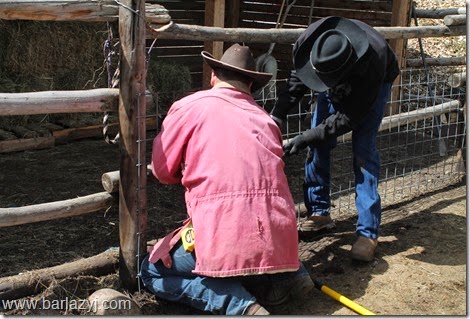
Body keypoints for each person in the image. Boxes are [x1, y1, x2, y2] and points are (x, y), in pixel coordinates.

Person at [140, 43, 314, 315]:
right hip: (279, 235)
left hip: (226, 230)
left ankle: (239, 305)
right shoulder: (266, 120)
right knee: (256, 241)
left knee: (151, 270)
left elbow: (162, 171)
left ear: (213, 75)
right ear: (250, 83)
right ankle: (289, 275)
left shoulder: (189, 107)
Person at [270, 16, 400, 262]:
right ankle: (319, 213)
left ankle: (368, 233)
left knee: (364, 151)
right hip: (334, 71)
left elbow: (349, 118)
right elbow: (298, 79)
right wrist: (276, 116)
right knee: (319, 144)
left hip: (373, 82)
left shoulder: (373, 61)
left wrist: (307, 136)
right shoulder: (310, 44)